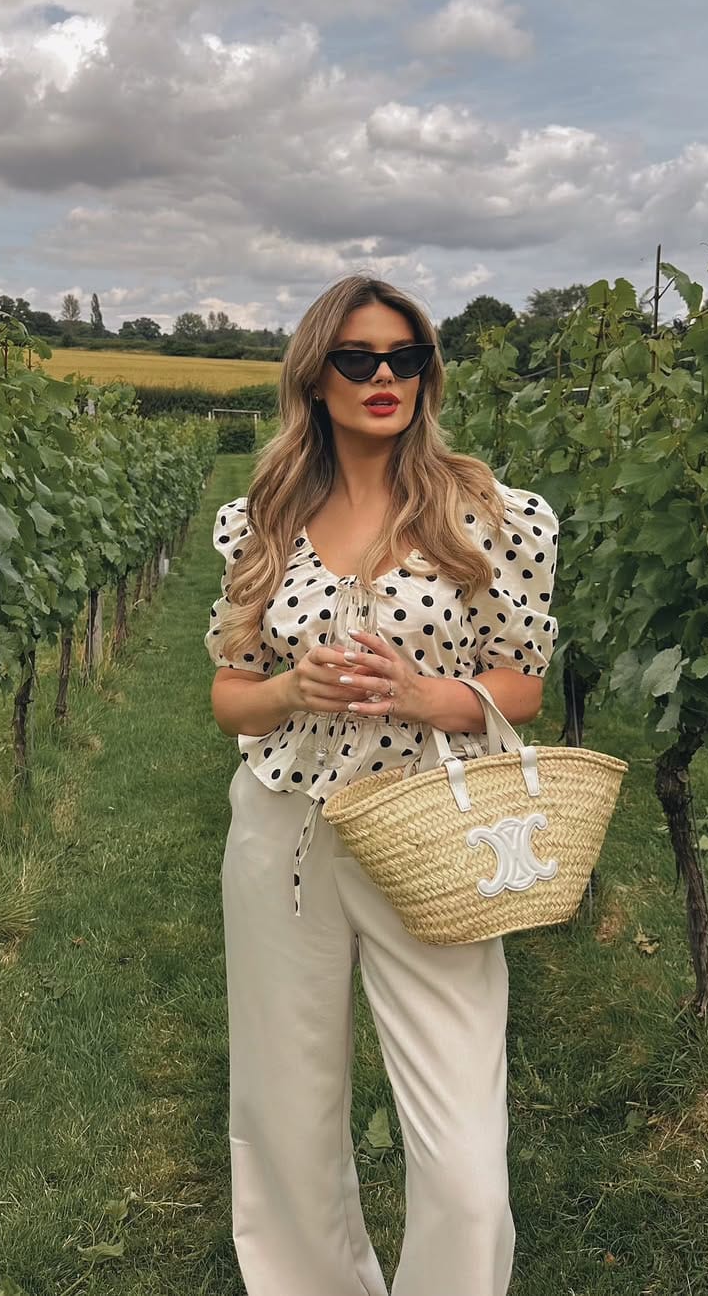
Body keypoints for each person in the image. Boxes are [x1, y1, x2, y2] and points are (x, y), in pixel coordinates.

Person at [204, 274, 559, 1296]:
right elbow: (230, 696)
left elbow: (523, 684)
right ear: (315, 377)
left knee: (465, 1155)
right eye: (357, 358)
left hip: (432, 828)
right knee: (283, 1102)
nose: (384, 376)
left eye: (405, 357)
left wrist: (425, 694)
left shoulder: (490, 515)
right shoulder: (262, 522)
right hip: (284, 834)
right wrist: (289, 689)